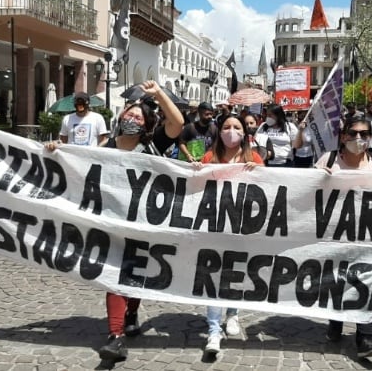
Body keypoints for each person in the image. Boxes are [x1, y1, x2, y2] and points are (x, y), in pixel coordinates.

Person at [96, 81, 185, 361]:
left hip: (144, 224)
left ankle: (131, 312)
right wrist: (54, 149)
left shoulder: (152, 146)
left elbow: (177, 123)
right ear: (121, 117)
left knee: (134, 274)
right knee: (115, 277)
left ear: (146, 124)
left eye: (138, 117)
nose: (132, 119)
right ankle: (115, 336)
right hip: (112, 222)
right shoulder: (105, 147)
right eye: (129, 114)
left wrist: (158, 94)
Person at [314, 114, 372, 358]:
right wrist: (317, 177)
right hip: (334, 233)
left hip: (367, 234)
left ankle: (366, 337)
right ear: (343, 136)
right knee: (338, 280)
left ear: (371, 137)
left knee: (366, 279)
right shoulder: (329, 159)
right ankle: (335, 322)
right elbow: (308, 193)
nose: (358, 138)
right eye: (353, 133)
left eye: (364, 134)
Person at [195, 114, 264, 354]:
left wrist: (260, 172)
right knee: (214, 276)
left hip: (242, 229)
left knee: (235, 273)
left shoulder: (254, 158)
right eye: (226, 126)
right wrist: (196, 171)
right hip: (214, 227)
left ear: (244, 132)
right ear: (219, 131)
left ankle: (233, 313)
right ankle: (213, 331)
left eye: (236, 127)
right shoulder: (209, 157)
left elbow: (269, 189)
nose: (231, 131)